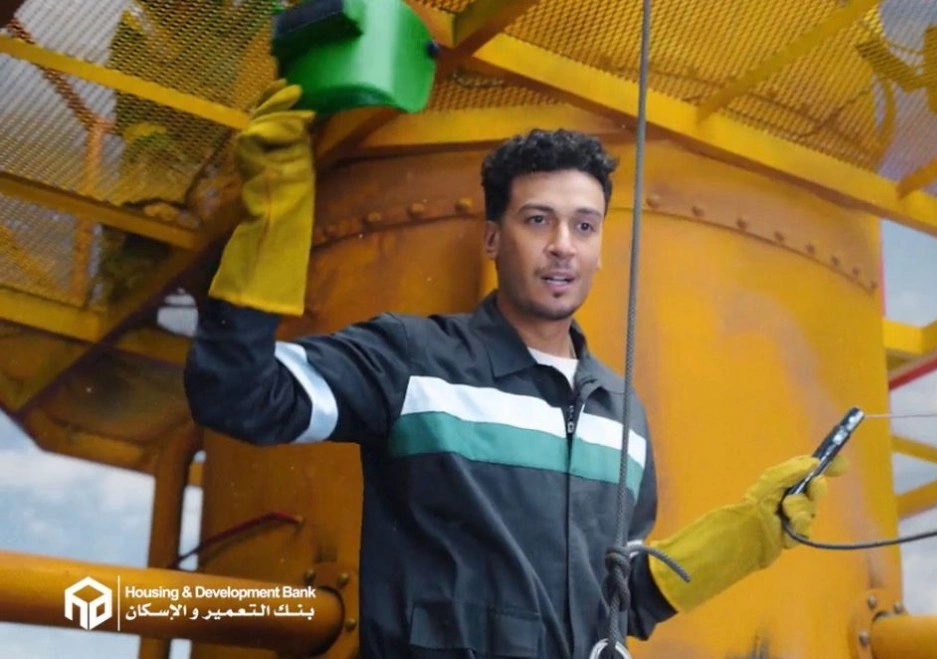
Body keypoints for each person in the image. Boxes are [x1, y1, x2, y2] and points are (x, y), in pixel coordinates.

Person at [184, 82, 847, 659]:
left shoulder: (622, 415)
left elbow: (618, 604)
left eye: (584, 227)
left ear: (601, 249)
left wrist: (747, 534)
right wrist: (273, 219)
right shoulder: (410, 362)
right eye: (538, 220)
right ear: (493, 238)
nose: (563, 246)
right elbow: (239, 393)